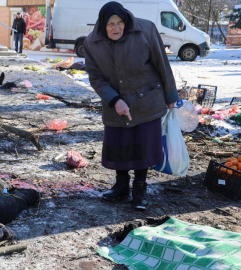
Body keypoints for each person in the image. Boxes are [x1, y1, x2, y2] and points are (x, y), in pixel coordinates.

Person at [83, 1, 179, 210]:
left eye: (120, 23)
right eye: (111, 24)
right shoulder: (92, 42)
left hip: (147, 100)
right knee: (120, 146)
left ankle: (140, 190)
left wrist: (170, 94)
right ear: (102, 25)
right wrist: (115, 100)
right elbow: (96, 78)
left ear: (125, 21)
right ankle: (121, 186)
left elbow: (162, 62)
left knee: (142, 147)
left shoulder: (145, 30)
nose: (116, 28)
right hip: (115, 104)